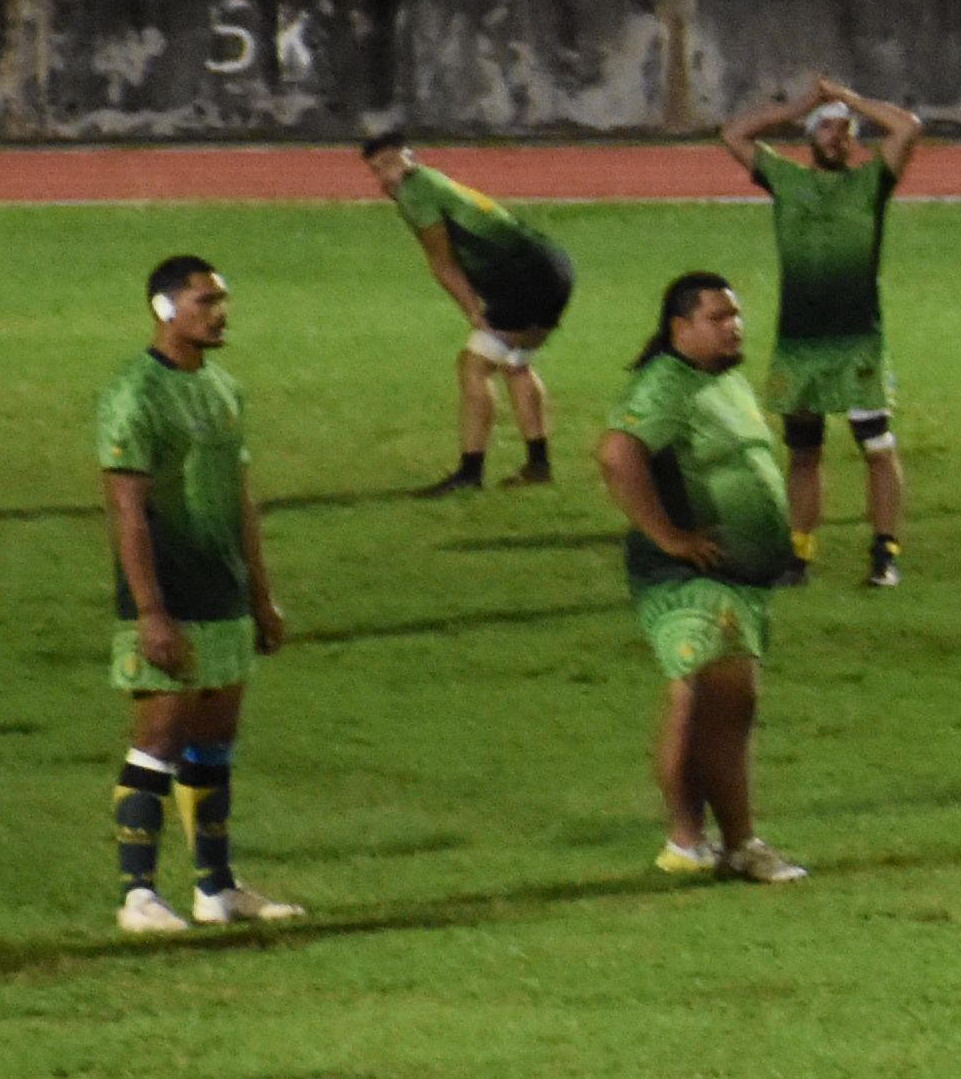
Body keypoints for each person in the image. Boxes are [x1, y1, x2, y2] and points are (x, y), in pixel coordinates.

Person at [97, 255, 299, 933]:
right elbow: (125, 508)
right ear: (164, 310)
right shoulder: (134, 394)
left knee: (214, 741)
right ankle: (139, 896)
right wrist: (151, 611)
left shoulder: (224, 389)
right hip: (167, 596)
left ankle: (216, 890)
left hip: (225, 594)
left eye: (223, 300)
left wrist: (262, 597)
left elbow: (241, 500)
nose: (220, 312)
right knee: (158, 736)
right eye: (205, 301)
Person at [596, 271, 807, 882]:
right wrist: (669, 535)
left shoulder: (721, 380)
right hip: (687, 579)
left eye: (736, 315)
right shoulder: (665, 385)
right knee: (711, 702)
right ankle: (715, 844)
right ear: (679, 327)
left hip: (735, 580)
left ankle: (708, 844)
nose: (734, 326)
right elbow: (617, 453)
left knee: (716, 704)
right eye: (717, 317)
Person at [725, 72, 928, 586]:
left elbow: (907, 128)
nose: (836, 136)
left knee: (876, 445)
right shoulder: (785, 180)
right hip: (799, 343)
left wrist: (852, 99)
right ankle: (799, 553)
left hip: (857, 339)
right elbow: (733, 133)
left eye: (844, 129)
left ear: (854, 138)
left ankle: (885, 553)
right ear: (809, 138)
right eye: (826, 128)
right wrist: (796, 107)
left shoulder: (871, 184)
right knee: (803, 450)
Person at [363, 128, 576, 493]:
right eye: (375, 169)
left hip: (521, 280)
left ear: (408, 156)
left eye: (388, 163)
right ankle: (538, 466)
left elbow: (442, 262)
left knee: (473, 366)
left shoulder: (415, 192)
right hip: (553, 267)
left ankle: (469, 473)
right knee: (516, 363)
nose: (384, 176)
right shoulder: (432, 180)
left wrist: (474, 314)